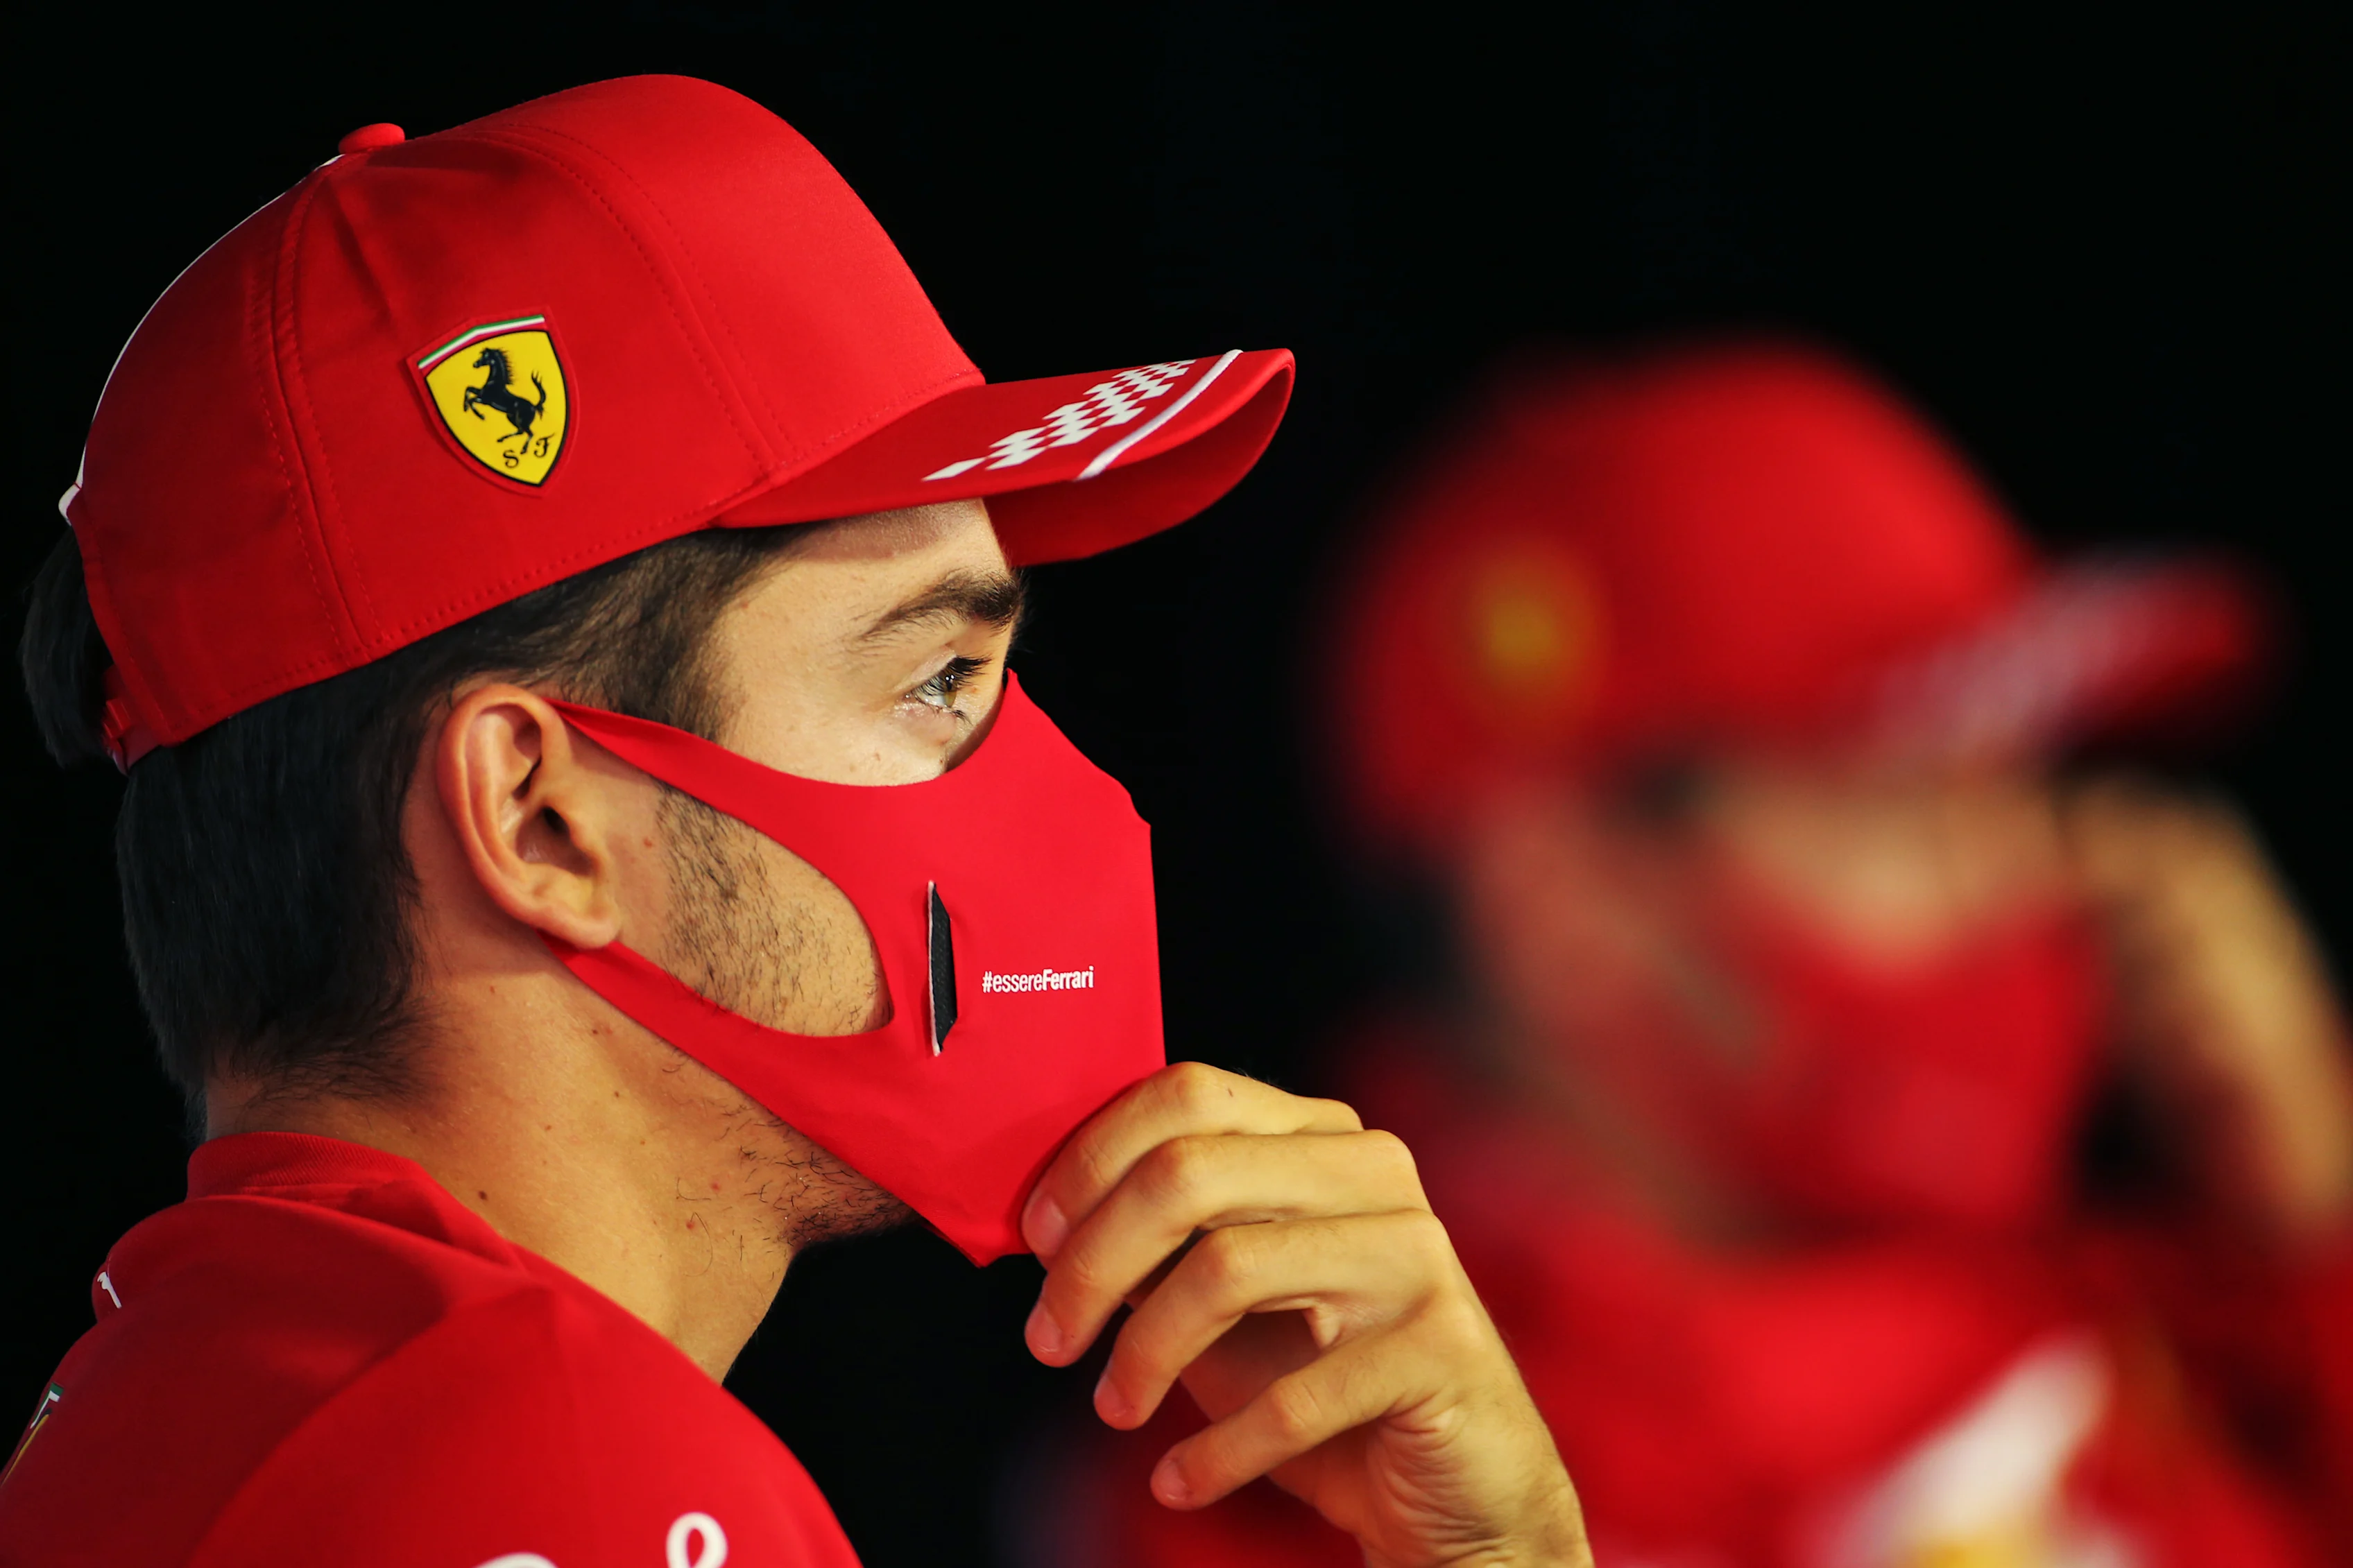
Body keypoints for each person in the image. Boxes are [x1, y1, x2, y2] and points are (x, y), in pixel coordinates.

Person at [0, 77, 1588, 1568]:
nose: (1057, 786)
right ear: (541, 818)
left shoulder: (192, 1403)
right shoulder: (562, 1464)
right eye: (937, 677)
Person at [1068, 343, 2353, 1567]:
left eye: (2021, 785)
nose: (2038, 876)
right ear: (1564, 899)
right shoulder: (1274, 1465)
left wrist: (2319, 1228)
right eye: (1902, 796)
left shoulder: (2197, 1314)